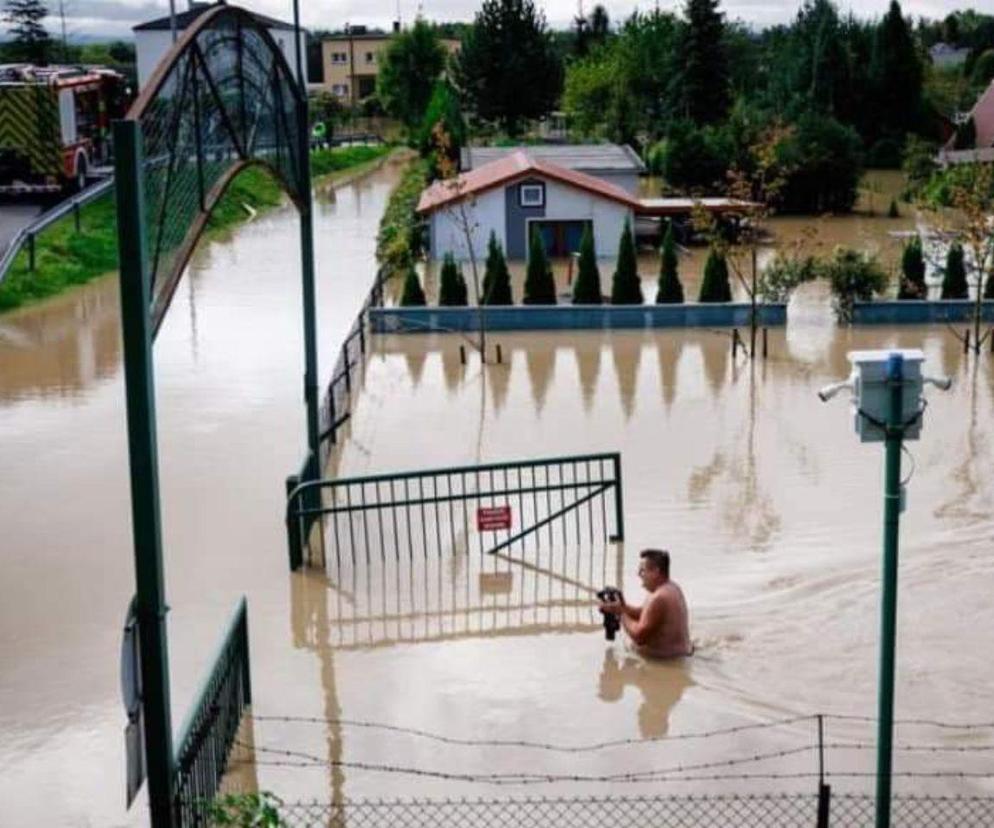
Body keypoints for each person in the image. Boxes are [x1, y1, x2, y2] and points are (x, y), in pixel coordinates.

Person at [598, 549, 692, 658]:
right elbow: (645, 614)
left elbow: (639, 637)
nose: (639, 575)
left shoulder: (659, 597)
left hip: (667, 662)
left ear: (656, 572)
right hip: (681, 654)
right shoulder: (670, 588)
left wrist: (621, 614)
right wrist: (621, 607)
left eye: (642, 570)